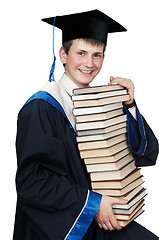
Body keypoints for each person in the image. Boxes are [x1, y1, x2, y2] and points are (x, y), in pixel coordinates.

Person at [13, 9, 159, 240]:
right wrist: (93, 204)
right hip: (61, 226)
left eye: (97, 55)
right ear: (63, 54)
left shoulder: (103, 102)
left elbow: (146, 155)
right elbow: (33, 183)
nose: (89, 63)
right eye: (81, 53)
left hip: (102, 218)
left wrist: (129, 105)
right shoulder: (41, 107)